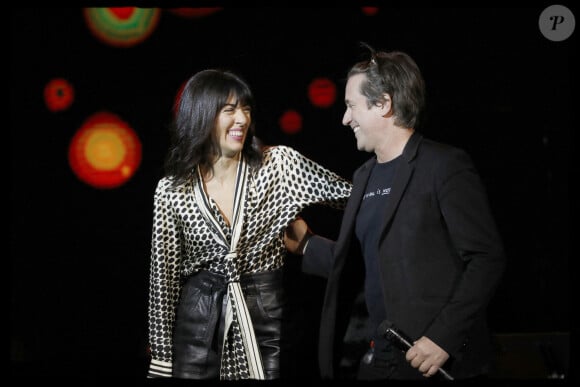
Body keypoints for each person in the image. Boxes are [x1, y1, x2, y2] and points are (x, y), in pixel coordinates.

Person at [284, 43, 506, 381]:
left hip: (436, 361)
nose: (345, 119)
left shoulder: (444, 165)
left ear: (384, 103)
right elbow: (361, 261)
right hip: (381, 358)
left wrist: (442, 338)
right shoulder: (363, 176)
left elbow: (487, 258)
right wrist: (306, 244)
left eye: (351, 106)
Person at [147, 69, 352, 380]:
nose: (241, 119)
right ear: (202, 115)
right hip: (197, 327)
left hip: (265, 319)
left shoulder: (278, 165)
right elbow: (163, 283)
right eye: (229, 110)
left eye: (245, 108)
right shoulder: (172, 189)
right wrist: (162, 361)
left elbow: (352, 198)